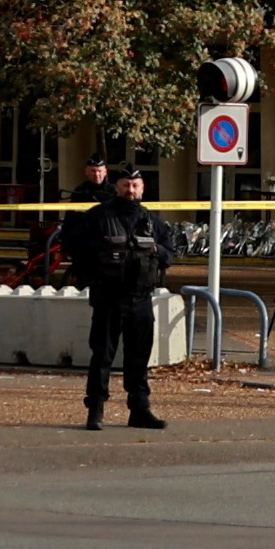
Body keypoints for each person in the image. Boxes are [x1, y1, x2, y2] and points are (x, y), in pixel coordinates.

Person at [68, 158, 170, 428]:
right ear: (117, 186)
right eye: (126, 185)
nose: (131, 190)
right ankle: (96, 409)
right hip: (109, 298)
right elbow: (75, 247)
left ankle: (139, 410)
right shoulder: (99, 216)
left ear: (142, 188)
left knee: (139, 356)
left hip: (140, 299)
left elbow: (169, 252)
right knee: (102, 355)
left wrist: (156, 252)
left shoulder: (150, 220)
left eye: (135, 185)